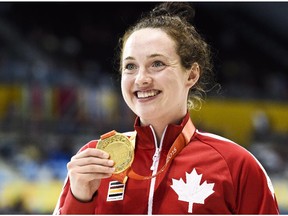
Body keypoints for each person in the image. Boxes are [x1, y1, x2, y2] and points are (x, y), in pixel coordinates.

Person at [53, 2, 279, 214]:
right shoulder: (95, 160)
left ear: (191, 74)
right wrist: (79, 198)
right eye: (130, 66)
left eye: (157, 64)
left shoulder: (236, 164)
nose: (141, 79)